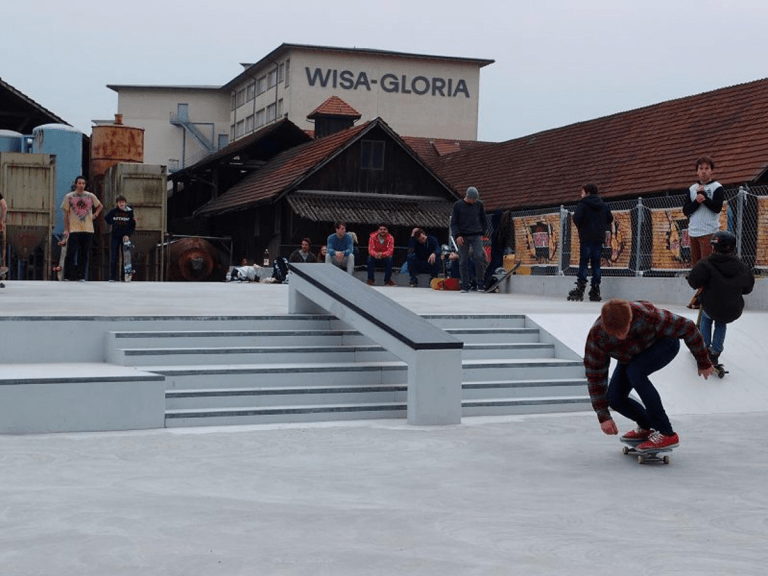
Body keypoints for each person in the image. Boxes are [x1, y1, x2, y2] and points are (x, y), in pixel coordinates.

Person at [584, 299, 714, 452]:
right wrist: (603, 416)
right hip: (631, 355)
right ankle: (646, 426)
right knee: (615, 398)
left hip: (664, 344)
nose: (620, 337)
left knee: (635, 372)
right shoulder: (597, 337)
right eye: (615, 334)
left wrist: (703, 361)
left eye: (624, 331)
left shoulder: (647, 315)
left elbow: (687, 327)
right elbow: (595, 374)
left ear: (630, 319)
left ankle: (667, 433)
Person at [687, 230, 754, 366]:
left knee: (706, 318)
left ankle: (704, 348)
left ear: (713, 247)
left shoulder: (706, 263)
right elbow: (748, 289)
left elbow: (693, 282)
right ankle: (716, 351)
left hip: (711, 306)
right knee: (721, 322)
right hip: (731, 310)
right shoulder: (741, 267)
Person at [683, 156, 724, 308]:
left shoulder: (717, 187)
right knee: (696, 268)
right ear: (697, 172)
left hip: (708, 231)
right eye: (701, 169)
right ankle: (700, 296)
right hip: (694, 231)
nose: (704, 171)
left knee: (706, 266)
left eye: (707, 168)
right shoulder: (692, 189)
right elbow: (686, 210)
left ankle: (703, 298)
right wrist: (696, 201)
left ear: (711, 170)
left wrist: (705, 198)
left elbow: (717, 208)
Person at [569, 183, 613, 302]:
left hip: (586, 237)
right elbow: (610, 218)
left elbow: (576, 218)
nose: (581, 195)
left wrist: (582, 227)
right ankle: (595, 288)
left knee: (584, 261)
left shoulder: (583, 204)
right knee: (596, 263)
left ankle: (580, 287)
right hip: (598, 237)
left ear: (587, 193)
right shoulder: (603, 204)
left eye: (582, 192)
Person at [61, 176, 102, 281]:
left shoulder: (90, 196)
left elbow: (100, 206)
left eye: (83, 183)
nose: (81, 185)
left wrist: (95, 214)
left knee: (84, 254)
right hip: (74, 229)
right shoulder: (69, 197)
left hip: (87, 229)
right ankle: (68, 276)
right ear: (75, 184)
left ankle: (81, 276)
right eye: (79, 183)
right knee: (71, 252)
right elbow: (65, 214)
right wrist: (66, 229)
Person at [450, 186, 487, 292]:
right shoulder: (458, 205)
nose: (475, 201)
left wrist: (482, 232)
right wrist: (457, 235)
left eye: (476, 199)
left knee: (479, 256)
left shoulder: (479, 205)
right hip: (463, 236)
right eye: (473, 199)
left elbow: (483, 219)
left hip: (476, 235)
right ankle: (465, 285)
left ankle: (480, 283)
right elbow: (454, 223)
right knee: (463, 260)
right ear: (468, 197)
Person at [104, 194, 136, 282]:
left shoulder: (129, 212)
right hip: (115, 236)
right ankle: (112, 276)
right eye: (119, 202)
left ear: (125, 203)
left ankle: (124, 276)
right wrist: (112, 222)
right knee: (114, 256)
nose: (121, 204)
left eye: (123, 202)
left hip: (125, 237)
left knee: (125, 257)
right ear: (117, 203)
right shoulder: (114, 211)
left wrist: (128, 235)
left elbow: (133, 225)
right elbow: (106, 218)